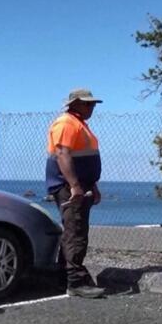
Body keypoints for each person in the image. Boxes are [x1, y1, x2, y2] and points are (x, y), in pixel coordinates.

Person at [46, 88, 106, 299]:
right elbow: (63, 154)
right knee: (76, 232)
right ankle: (76, 282)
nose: (92, 108)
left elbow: (85, 158)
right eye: (88, 104)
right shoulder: (66, 124)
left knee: (73, 230)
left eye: (93, 104)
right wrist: (74, 185)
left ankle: (63, 278)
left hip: (81, 185)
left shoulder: (78, 124)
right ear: (76, 104)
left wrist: (92, 185)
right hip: (69, 187)